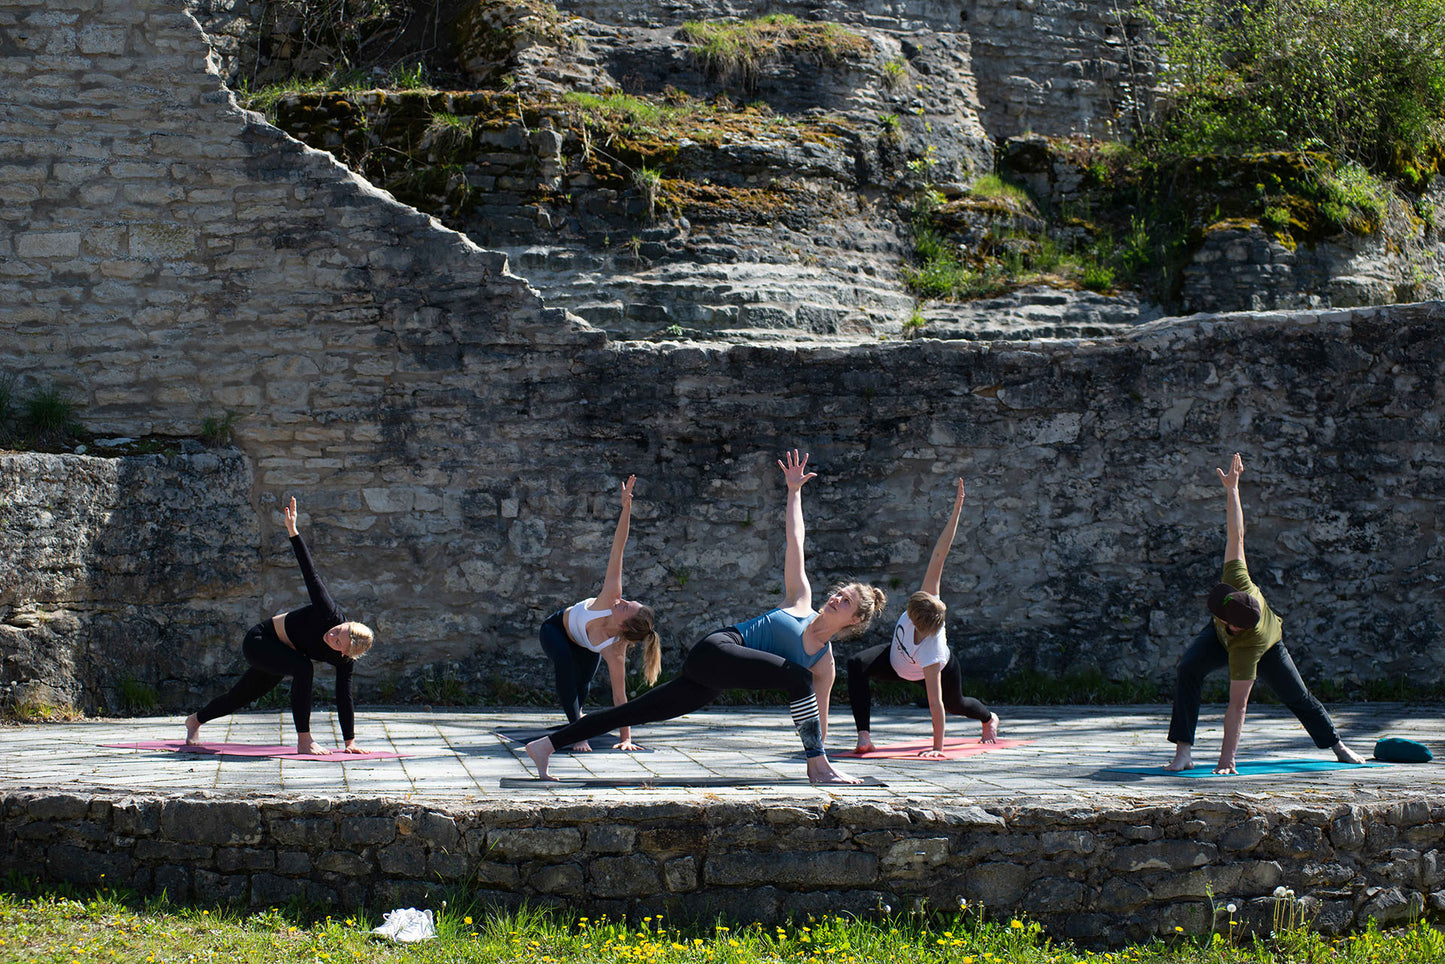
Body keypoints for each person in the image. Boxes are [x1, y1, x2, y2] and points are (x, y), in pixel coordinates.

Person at [526, 450, 886, 784]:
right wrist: (794, 492)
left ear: (854, 621)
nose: (837, 598)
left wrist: (818, 747)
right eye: (840, 592)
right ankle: (818, 769)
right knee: (797, 678)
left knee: (636, 712)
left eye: (846, 601)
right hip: (717, 649)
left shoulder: (824, 664)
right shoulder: (800, 601)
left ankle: (545, 746)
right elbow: (796, 539)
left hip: (714, 681)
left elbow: (816, 720)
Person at [1164, 454, 1365, 774]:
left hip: (1268, 645)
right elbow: (1236, 535)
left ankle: (1337, 745)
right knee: (1189, 667)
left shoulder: (1250, 646)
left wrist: (1227, 759)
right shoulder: (1236, 580)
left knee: (1297, 696)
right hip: (1221, 638)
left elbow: (1237, 705)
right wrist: (1232, 489)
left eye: (1222, 614)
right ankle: (1184, 752)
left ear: (1235, 626)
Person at [185, 496, 375, 755]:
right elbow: (311, 574)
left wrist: (350, 742)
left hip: (284, 655)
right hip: (260, 640)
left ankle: (195, 720)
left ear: (343, 653)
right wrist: (293, 531)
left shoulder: (345, 660)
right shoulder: (328, 612)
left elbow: (345, 696)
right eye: (337, 631)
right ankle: (304, 740)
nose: (332, 635)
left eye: (336, 641)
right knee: (303, 668)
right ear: (347, 623)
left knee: (240, 697)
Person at [848, 478, 999, 757]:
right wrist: (956, 511)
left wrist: (937, 749)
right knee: (857, 664)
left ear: (916, 618)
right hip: (896, 660)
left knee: (958, 705)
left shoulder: (931, 653)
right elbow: (939, 554)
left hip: (927, 670)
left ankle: (989, 718)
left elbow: (935, 704)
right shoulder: (930, 600)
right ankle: (864, 737)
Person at [539, 475, 661, 751]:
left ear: (625, 626)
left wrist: (626, 739)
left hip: (586, 645)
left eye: (626, 607)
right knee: (566, 666)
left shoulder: (615, 651)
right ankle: (576, 732)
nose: (622, 601)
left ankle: (577, 720)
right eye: (627, 601)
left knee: (584, 682)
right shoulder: (610, 596)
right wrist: (626, 509)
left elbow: (621, 697)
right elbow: (619, 547)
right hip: (555, 629)